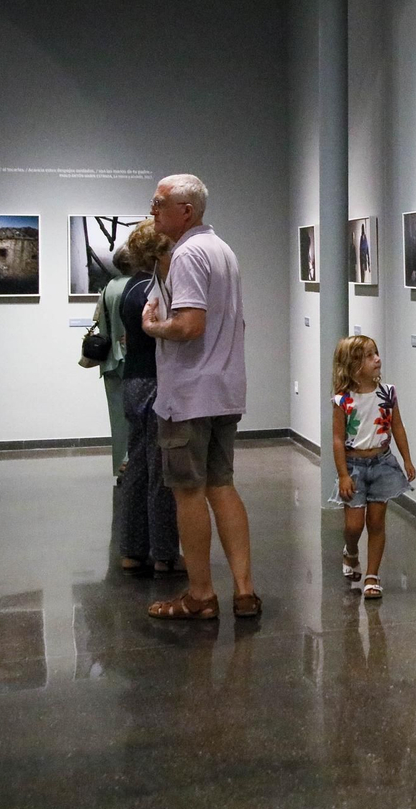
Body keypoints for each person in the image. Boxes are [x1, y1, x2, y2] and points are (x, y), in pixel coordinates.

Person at [141, 174, 260, 620]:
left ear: (186, 211)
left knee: (188, 493)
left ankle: (200, 595)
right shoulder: (222, 249)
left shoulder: (188, 253)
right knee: (221, 486)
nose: (152, 210)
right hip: (223, 389)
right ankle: (244, 591)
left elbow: (191, 325)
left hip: (190, 395)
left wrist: (153, 327)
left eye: (159, 203)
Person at [116, 220, 181, 577]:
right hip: (156, 380)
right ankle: (164, 554)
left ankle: (131, 550)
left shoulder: (130, 287)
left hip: (133, 380)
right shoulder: (154, 289)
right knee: (161, 471)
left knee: (138, 466)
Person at [329, 336, 416, 600]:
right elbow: (337, 439)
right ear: (353, 364)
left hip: (382, 464)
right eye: (369, 356)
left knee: (376, 522)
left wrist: (407, 459)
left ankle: (372, 576)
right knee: (354, 526)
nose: (377, 359)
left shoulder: (387, 393)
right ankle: (351, 550)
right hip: (354, 466)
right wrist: (343, 474)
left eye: (376, 353)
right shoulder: (343, 400)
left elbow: (397, 427)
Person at [94, 249, 133, 485]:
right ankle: (133, 464)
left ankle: (121, 468)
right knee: (137, 418)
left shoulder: (108, 288)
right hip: (131, 360)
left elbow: (100, 321)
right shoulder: (136, 287)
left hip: (109, 361)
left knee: (118, 419)